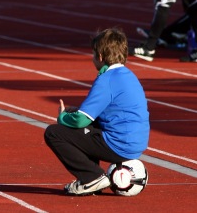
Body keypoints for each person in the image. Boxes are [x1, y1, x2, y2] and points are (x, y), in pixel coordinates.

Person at [44, 28, 150, 196]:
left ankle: (92, 177)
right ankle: (94, 178)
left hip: (119, 144)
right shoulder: (128, 75)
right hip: (135, 142)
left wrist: (63, 118)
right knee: (79, 120)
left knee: (54, 133)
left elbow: (81, 121)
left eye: (93, 54)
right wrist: (75, 113)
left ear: (100, 56)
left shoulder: (106, 79)